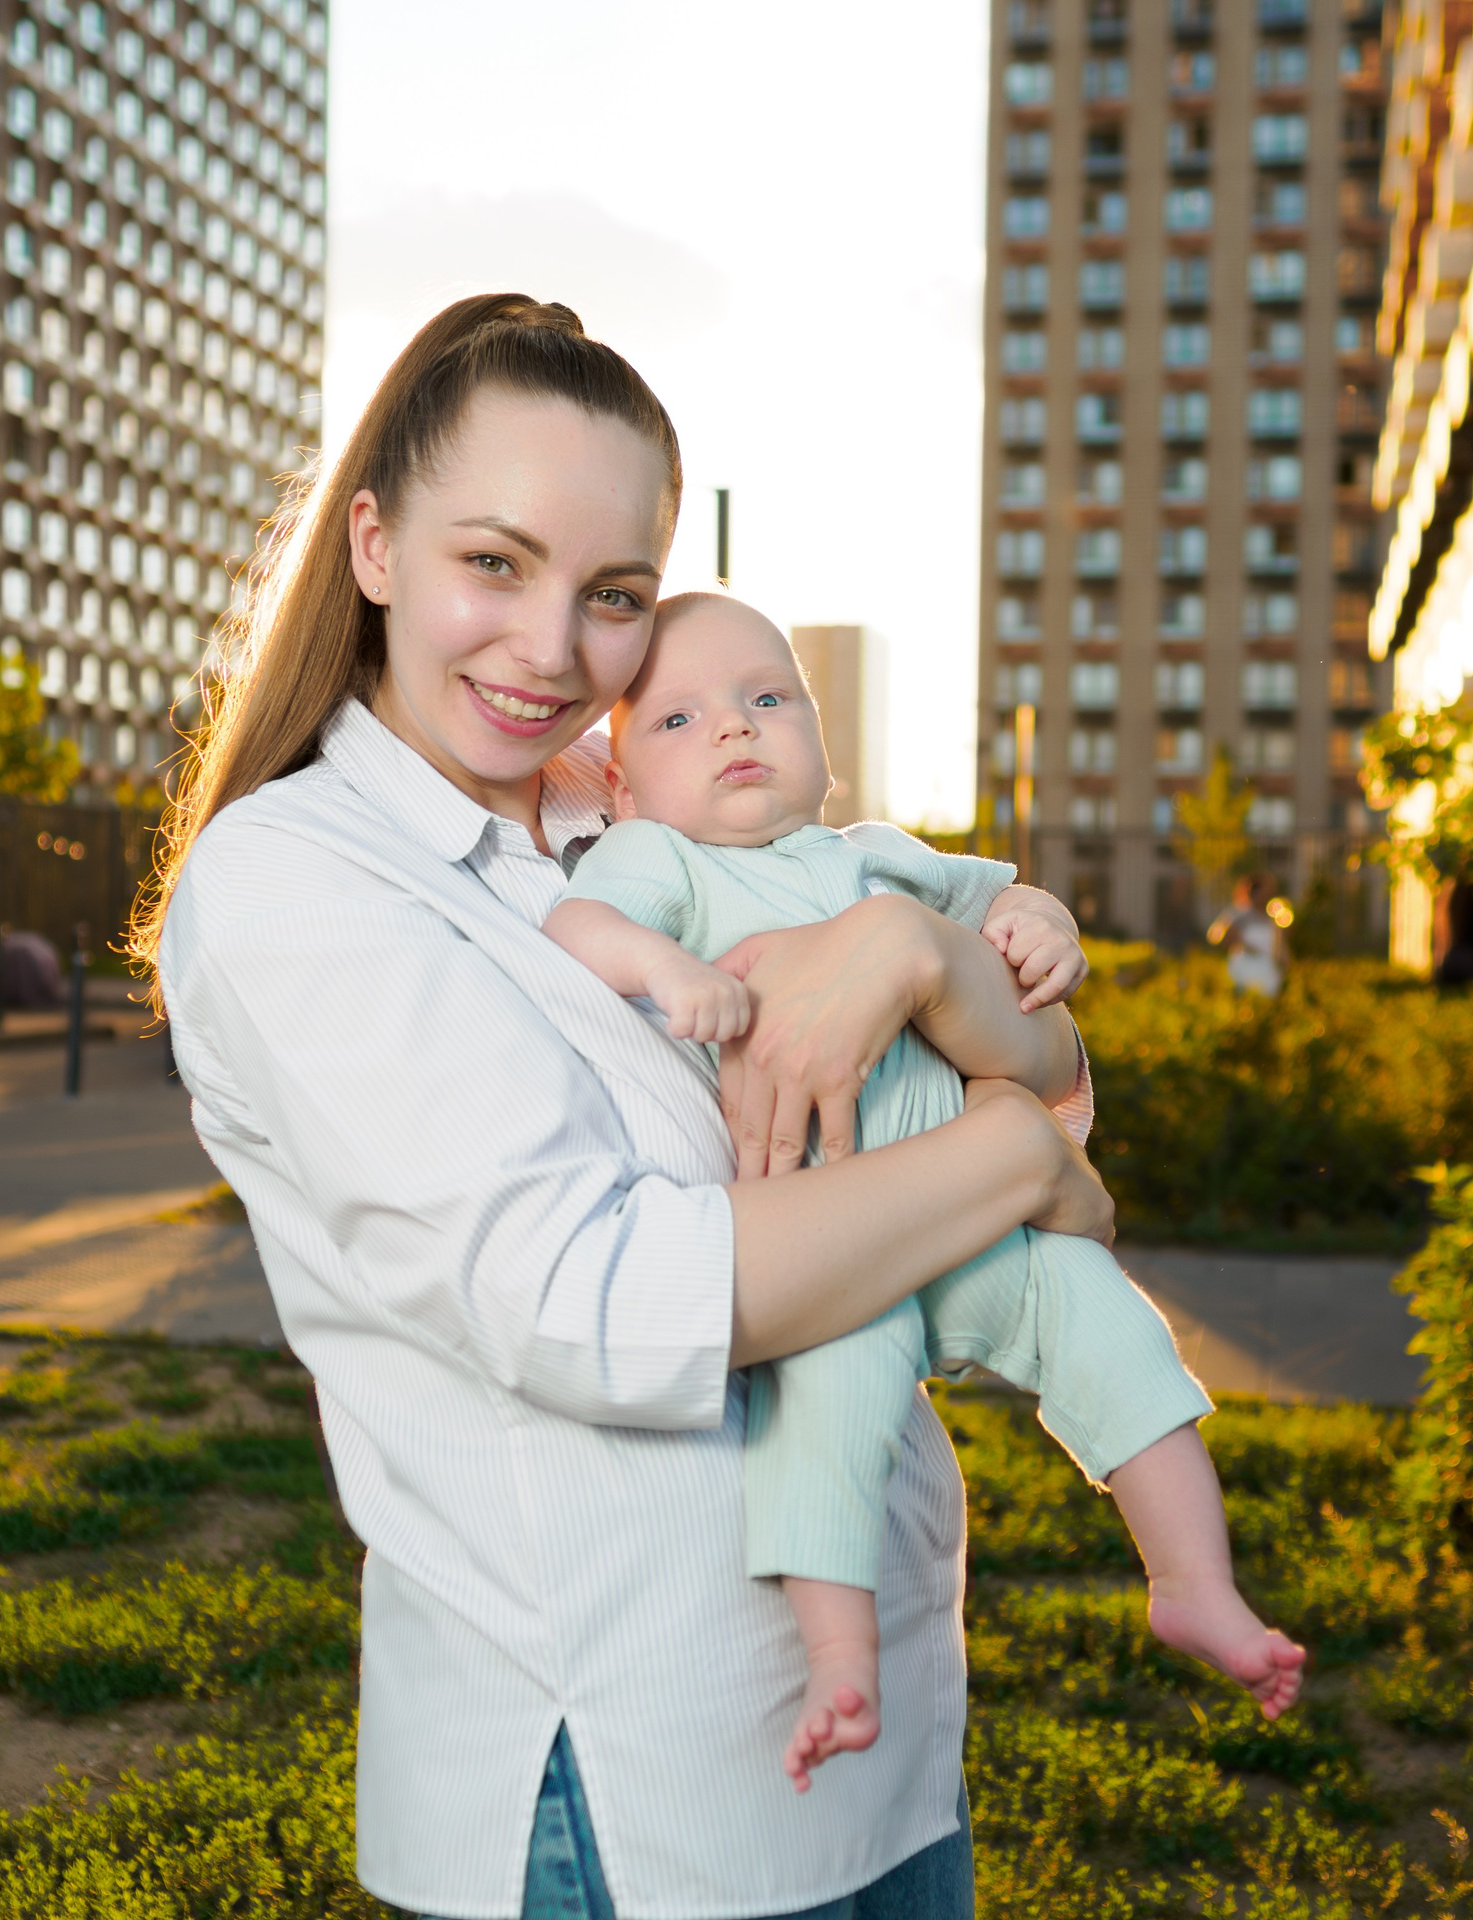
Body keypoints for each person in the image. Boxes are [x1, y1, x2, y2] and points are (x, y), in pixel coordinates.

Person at [140, 295, 1123, 1918]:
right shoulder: (294, 880)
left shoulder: (634, 814)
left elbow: (1029, 1078)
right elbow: (597, 1304)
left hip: (890, 1724)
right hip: (632, 1795)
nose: (550, 648)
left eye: (610, 595)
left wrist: (920, 959)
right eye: (495, 563)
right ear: (375, 545)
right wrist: (1013, 1160)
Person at [545, 593, 1303, 1791]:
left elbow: (1002, 903)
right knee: (827, 1416)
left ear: (822, 748)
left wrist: (1042, 927)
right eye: (680, 719)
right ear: (623, 788)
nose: (734, 727)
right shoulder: (662, 862)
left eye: (766, 698)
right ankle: (839, 1662)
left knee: (1109, 1324)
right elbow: (576, 926)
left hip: (980, 1225)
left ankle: (1191, 1583)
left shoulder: (878, 857)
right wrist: (661, 968)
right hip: (831, 1251)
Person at [1210, 873, 1288, 998]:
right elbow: (1216, 936)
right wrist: (1242, 944)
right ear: (1254, 893)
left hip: (1268, 971)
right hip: (1245, 968)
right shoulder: (1240, 914)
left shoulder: (1274, 917)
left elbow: (1279, 945)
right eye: (1265, 891)